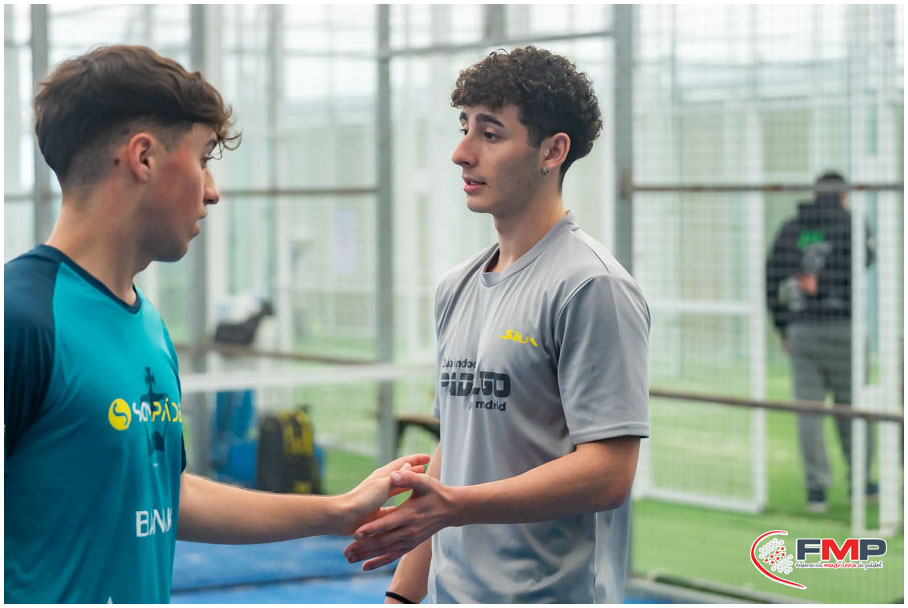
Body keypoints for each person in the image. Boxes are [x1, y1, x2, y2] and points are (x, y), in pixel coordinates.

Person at [3, 44, 428, 603]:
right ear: (143, 157)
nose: (213, 190)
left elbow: (167, 494)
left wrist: (339, 510)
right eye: (203, 158)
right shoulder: (20, 319)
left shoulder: (148, 326)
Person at [343, 46, 651, 603]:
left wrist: (456, 506)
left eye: (490, 134)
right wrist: (403, 595)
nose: (462, 153)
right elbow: (452, 453)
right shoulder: (456, 287)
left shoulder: (591, 286)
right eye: (464, 128)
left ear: (553, 151)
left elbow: (608, 474)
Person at [765, 171, 876, 514]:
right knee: (852, 409)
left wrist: (783, 325)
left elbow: (771, 277)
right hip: (843, 328)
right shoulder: (852, 225)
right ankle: (862, 483)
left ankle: (816, 492)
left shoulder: (792, 228)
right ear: (843, 197)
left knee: (808, 412)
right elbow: (864, 262)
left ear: (815, 195)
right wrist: (827, 286)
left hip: (803, 330)